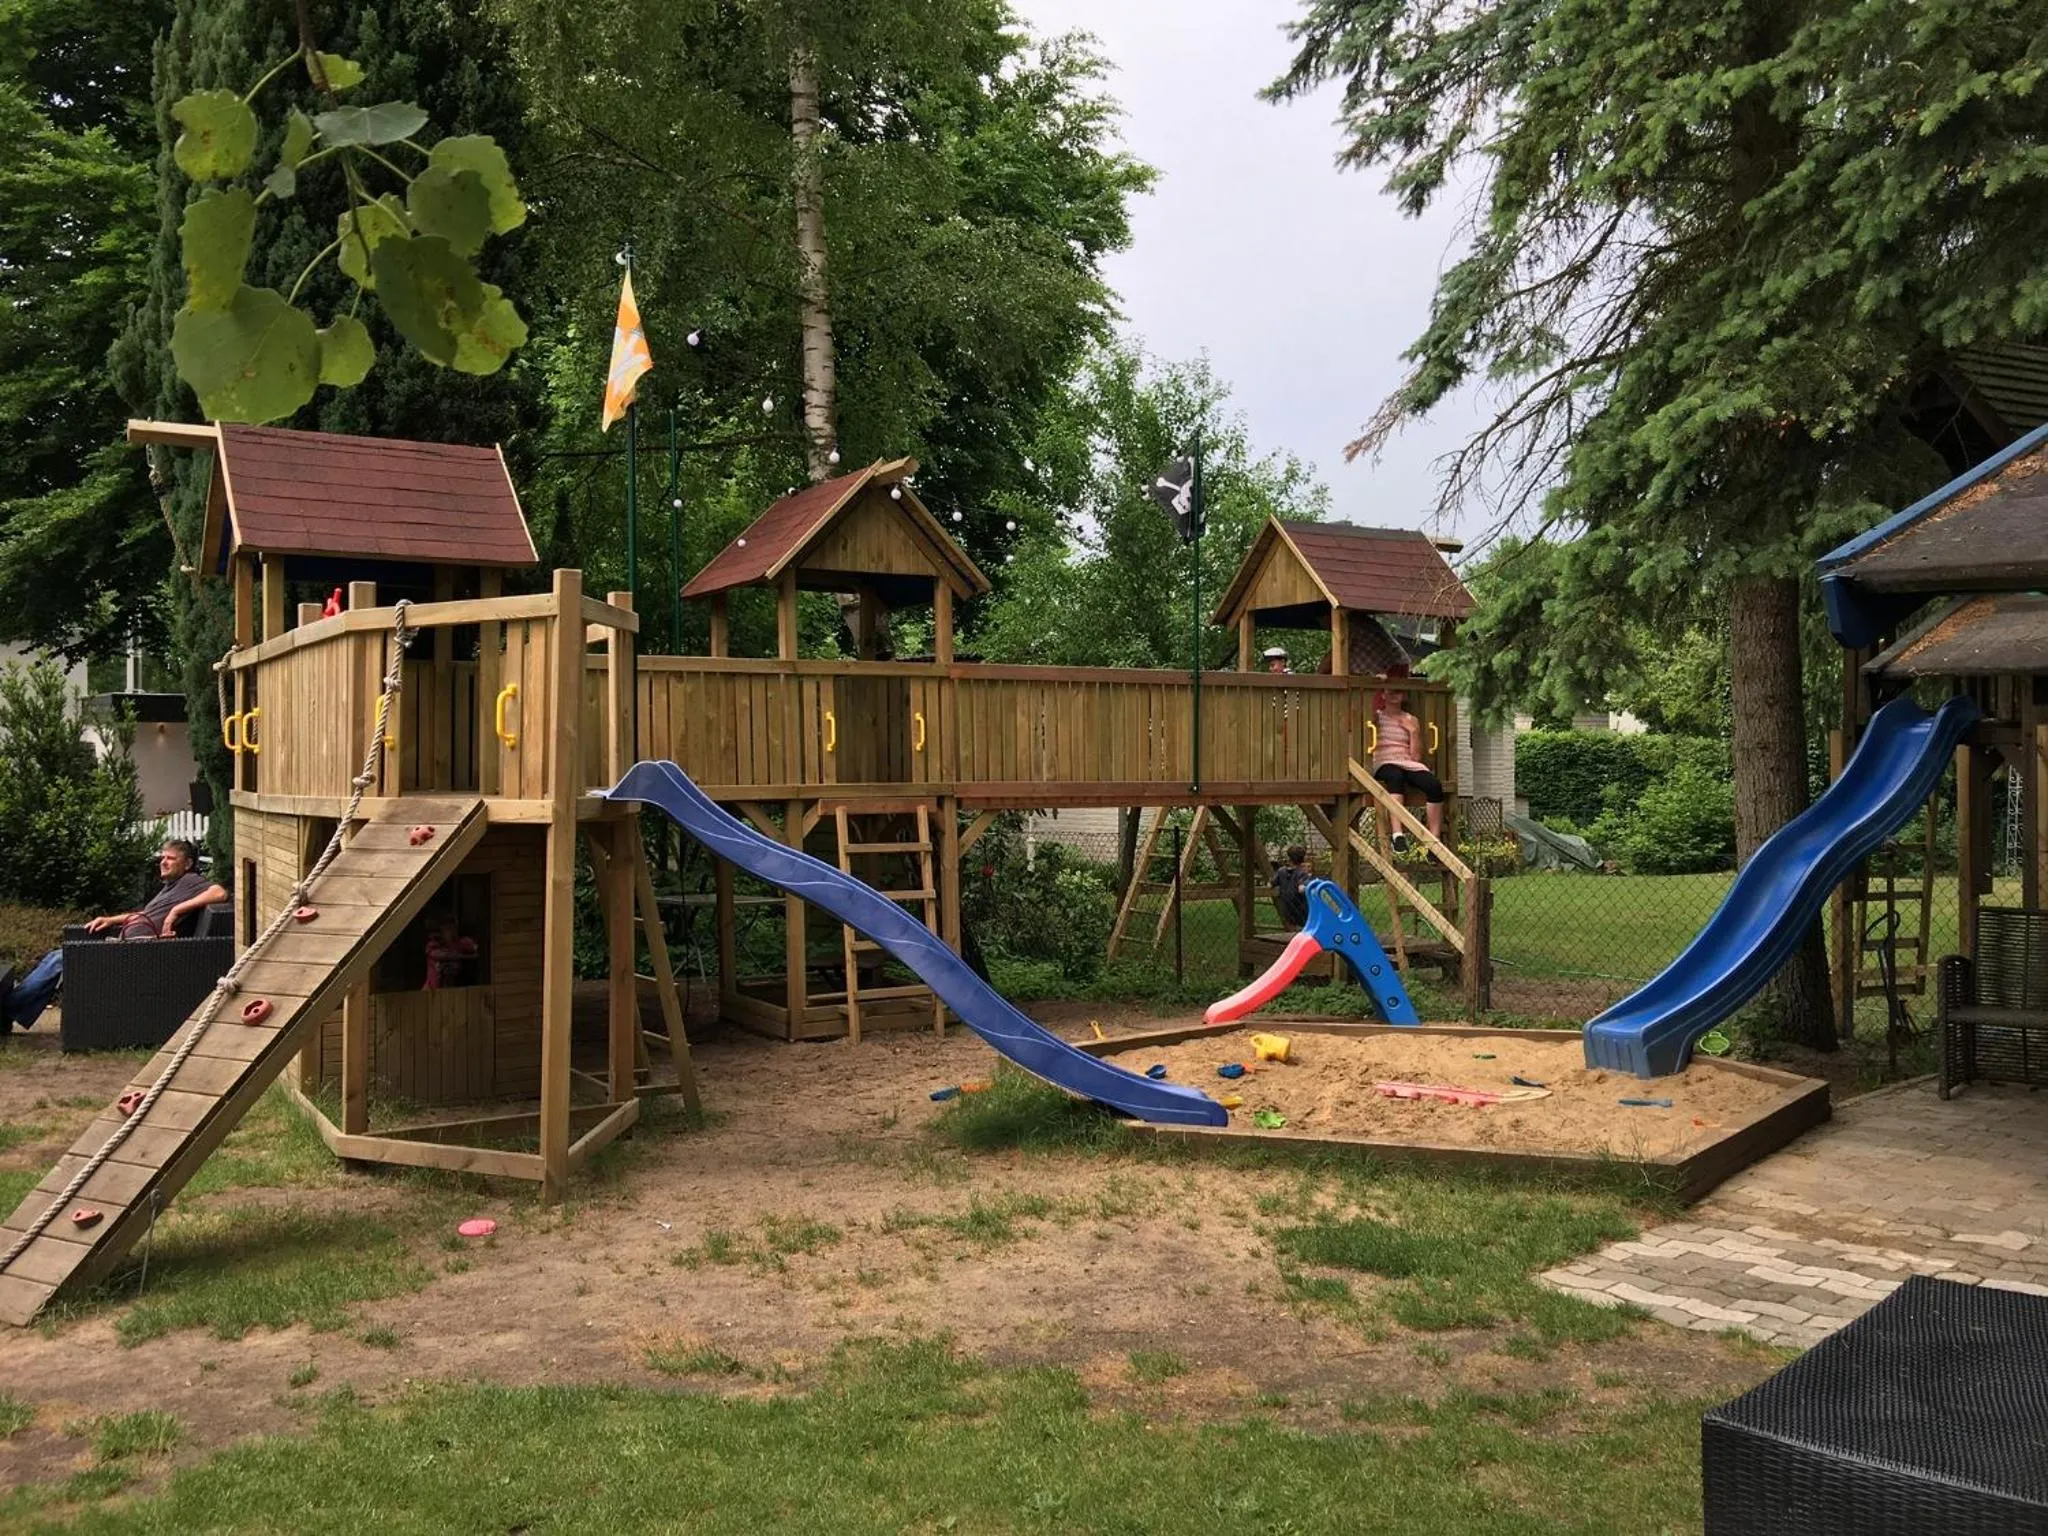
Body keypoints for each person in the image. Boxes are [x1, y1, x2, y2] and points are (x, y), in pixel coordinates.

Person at [0, 840, 226, 1033]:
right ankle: (11, 1011)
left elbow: (220, 892)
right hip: (127, 946)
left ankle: (7, 1009)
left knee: (61, 959)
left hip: (140, 954)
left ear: (187, 864)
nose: (163, 862)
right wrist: (110, 920)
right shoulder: (171, 886)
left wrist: (176, 911)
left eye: (170, 858)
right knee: (55, 956)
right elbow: (144, 915)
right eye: (162, 858)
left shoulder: (190, 881)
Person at [1371, 668, 1446, 853]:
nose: (1394, 695)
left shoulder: (1411, 719)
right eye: (1390, 691)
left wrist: (1413, 732)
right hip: (1384, 761)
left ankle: (1433, 841)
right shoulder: (1377, 716)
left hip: (1407, 762)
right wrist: (1377, 684)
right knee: (1395, 777)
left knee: (1434, 785)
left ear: (1404, 695)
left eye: (1398, 691)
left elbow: (1416, 757)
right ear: (1384, 694)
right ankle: (1398, 835)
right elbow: (1363, 704)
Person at [423, 912, 478, 991]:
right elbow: (443, 955)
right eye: (448, 928)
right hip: (432, 990)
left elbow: (477, 948)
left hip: (453, 990)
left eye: (454, 927)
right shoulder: (433, 945)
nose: (452, 931)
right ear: (441, 930)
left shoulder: (462, 943)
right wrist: (468, 957)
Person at [1271, 844, 1312, 928]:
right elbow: (1301, 888)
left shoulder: (1281, 871)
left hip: (1286, 910)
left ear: (1289, 858)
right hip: (1300, 911)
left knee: (1291, 926)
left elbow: (1272, 883)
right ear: (1302, 859)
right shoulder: (1301, 874)